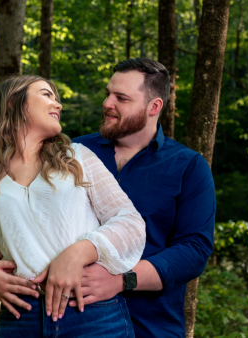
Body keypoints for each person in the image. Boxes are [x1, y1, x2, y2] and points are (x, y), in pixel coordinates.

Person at [0, 75, 146, 338]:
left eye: (56, 98)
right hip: (19, 319)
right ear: (13, 102)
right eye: (46, 95)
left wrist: (80, 252)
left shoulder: (77, 157)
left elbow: (130, 222)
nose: (57, 104)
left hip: (91, 314)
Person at [70, 58, 216, 338]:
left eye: (121, 98)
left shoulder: (188, 166)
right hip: (71, 323)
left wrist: (122, 279)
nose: (107, 103)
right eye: (108, 93)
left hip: (150, 327)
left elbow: (194, 250)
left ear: (154, 107)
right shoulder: (73, 152)